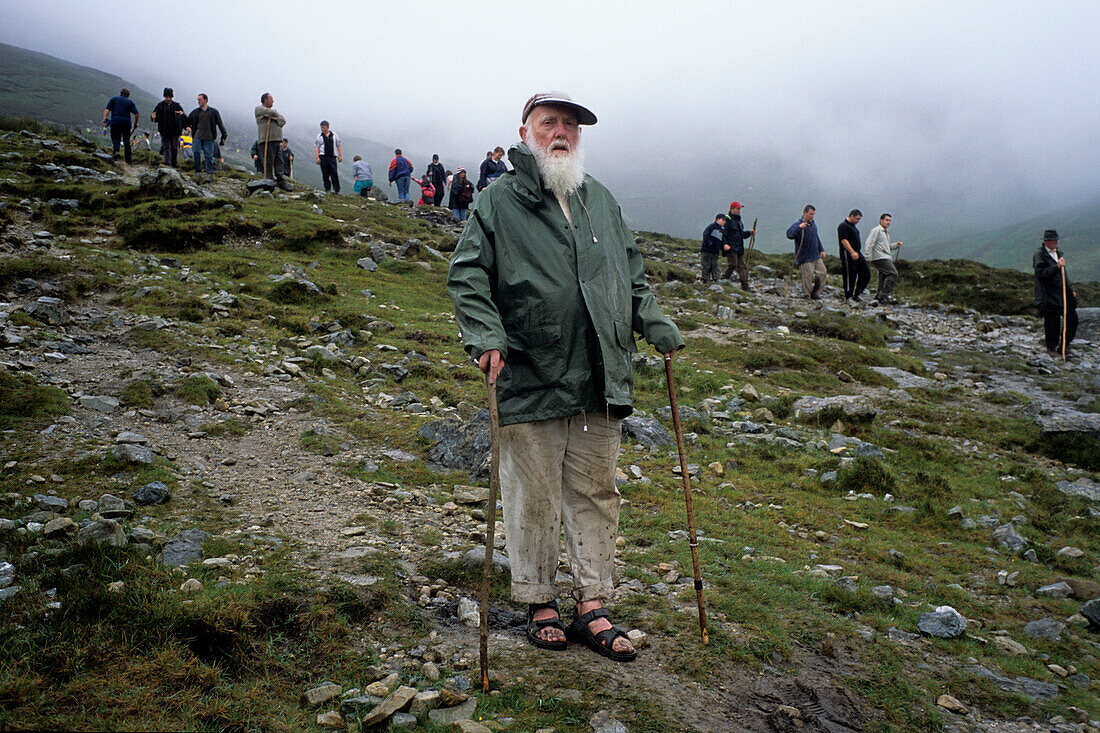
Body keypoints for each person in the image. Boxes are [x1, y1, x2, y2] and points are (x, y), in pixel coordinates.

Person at [448, 92, 684, 663]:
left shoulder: (600, 199)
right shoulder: (498, 202)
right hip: (532, 367)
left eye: (571, 125)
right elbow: (468, 275)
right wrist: (486, 336)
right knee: (533, 492)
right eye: (549, 122)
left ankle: (593, 601)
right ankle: (538, 601)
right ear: (525, 131)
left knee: (596, 491)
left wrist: (654, 323)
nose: (562, 132)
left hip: (600, 371)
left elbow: (631, 276)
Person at [1034, 229, 1078, 357]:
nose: (1056, 242)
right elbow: (1041, 274)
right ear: (1046, 241)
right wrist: (1056, 266)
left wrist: (1070, 290)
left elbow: (1064, 274)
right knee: (1052, 321)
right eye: (1054, 240)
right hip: (1048, 294)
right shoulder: (1040, 254)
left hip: (1062, 292)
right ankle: (1051, 348)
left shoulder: (1058, 253)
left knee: (1072, 318)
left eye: (1056, 240)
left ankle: (1065, 345)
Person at [786, 205, 826, 299]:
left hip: (816, 255)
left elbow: (816, 237)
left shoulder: (813, 224)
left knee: (822, 273)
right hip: (805, 256)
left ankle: (816, 293)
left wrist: (821, 249)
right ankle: (806, 294)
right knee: (807, 276)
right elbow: (789, 234)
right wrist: (799, 228)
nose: (812, 216)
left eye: (813, 214)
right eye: (811, 214)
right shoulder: (797, 224)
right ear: (805, 213)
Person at [255, 93, 291, 190]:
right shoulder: (259, 109)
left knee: (279, 161)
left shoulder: (271, 112)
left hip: (277, 140)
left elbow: (282, 121)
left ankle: (281, 181)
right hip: (266, 140)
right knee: (268, 161)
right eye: (271, 99)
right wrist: (275, 116)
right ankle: (269, 182)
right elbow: (272, 113)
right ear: (265, 100)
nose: (273, 100)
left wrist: (274, 117)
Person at [186, 93, 227, 178]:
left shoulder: (214, 112)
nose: (198, 102)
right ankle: (197, 171)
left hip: (209, 137)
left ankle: (209, 173)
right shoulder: (194, 112)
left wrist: (224, 135)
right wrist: (186, 125)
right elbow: (187, 122)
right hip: (197, 136)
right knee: (196, 153)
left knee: (209, 155)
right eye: (198, 100)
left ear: (205, 100)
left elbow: (220, 124)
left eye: (200, 100)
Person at [865, 213, 902, 303]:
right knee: (893, 273)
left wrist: (896, 245)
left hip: (883, 256)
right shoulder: (876, 230)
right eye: (887, 220)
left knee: (883, 275)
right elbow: (869, 243)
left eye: (890, 220)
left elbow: (887, 247)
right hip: (879, 257)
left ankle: (878, 296)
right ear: (881, 220)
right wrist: (867, 256)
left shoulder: (886, 232)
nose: (888, 222)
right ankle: (884, 295)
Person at [837, 209, 870, 301]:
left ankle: (857, 293)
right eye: (857, 219)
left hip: (857, 253)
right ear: (851, 216)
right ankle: (848, 296)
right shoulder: (843, 226)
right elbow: (844, 240)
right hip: (848, 254)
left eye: (859, 219)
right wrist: (852, 252)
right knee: (850, 275)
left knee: (866, 272)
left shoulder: (854, 227)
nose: (858, 221)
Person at [722, 201, 756, 290]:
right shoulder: (727, 220)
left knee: (742, 266)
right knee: (733, 264)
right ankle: (723, 279)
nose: (739, 210)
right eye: (737, 209)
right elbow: (723, 234)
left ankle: (745, 285)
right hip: (731, 247)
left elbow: (741, 235)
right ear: (732, 209)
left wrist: (749, 233)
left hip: (739, 247)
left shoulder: (739, 221)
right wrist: (725, 244)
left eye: (739, 209)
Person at [102, 88, 139, 163]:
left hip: (115, 121)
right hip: (126, 123)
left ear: (120, 93)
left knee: (115, 138)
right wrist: (135, 123)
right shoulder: (130, 102)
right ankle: (128, 160)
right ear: (128, 96)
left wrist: (104, 119)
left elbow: (107, 110)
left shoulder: (114, 99)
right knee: (126, 141)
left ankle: (116, 152)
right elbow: (137, 114)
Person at [151, 88, 185, 167]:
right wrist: (153, 116)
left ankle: (174, 164)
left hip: (175, 131)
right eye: (166, 97)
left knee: (174, 148)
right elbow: (154, 117)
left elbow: (183, 117)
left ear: (172, 97)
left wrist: (182, 116)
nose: (168, 99)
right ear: (164, 96)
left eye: (169, 97)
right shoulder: (160, 106)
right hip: (164, 130)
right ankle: (167, 163)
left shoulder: (177, 106)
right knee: (166, 147)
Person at [315, 121, 342, 193]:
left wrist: (340, 155)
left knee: (334, 173)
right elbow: (317, 147)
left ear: (328, 127)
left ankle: (337, 189)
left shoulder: (334, 135)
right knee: (325, 173)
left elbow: (338, 145)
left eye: (323, 128)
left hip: (332, 157)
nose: (322, 129)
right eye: (321, 128)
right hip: (323, 156)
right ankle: (327, 189)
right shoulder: (319, 136)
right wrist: (317, 157)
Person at [700, 213, 728, 283]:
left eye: (725, 220)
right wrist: (709, 243)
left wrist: (724, 248)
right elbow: (705, 234)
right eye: (723, 220)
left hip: (715, 252)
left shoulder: (722, 230)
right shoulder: (712, 226)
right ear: (717, 219)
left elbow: (722, 241)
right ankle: (705, 279)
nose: (724, 222)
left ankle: (716, 279)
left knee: (715, 266)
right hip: (707, 250)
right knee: (706, 265)